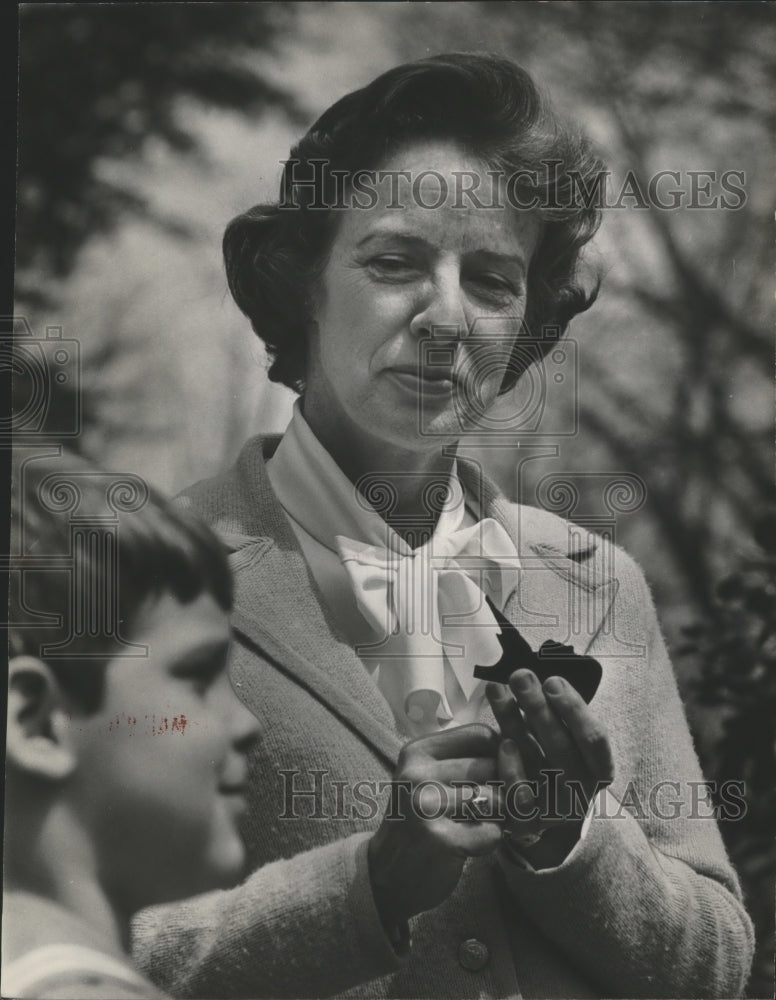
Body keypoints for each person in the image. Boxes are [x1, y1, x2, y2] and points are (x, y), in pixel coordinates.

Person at [132, 53, 754, 998]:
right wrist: (368, 888)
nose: (447, 318)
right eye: (394, 263)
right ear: (304, 284)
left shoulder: (599, 584)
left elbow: (716, 964)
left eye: (494, 281)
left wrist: (573, 838)